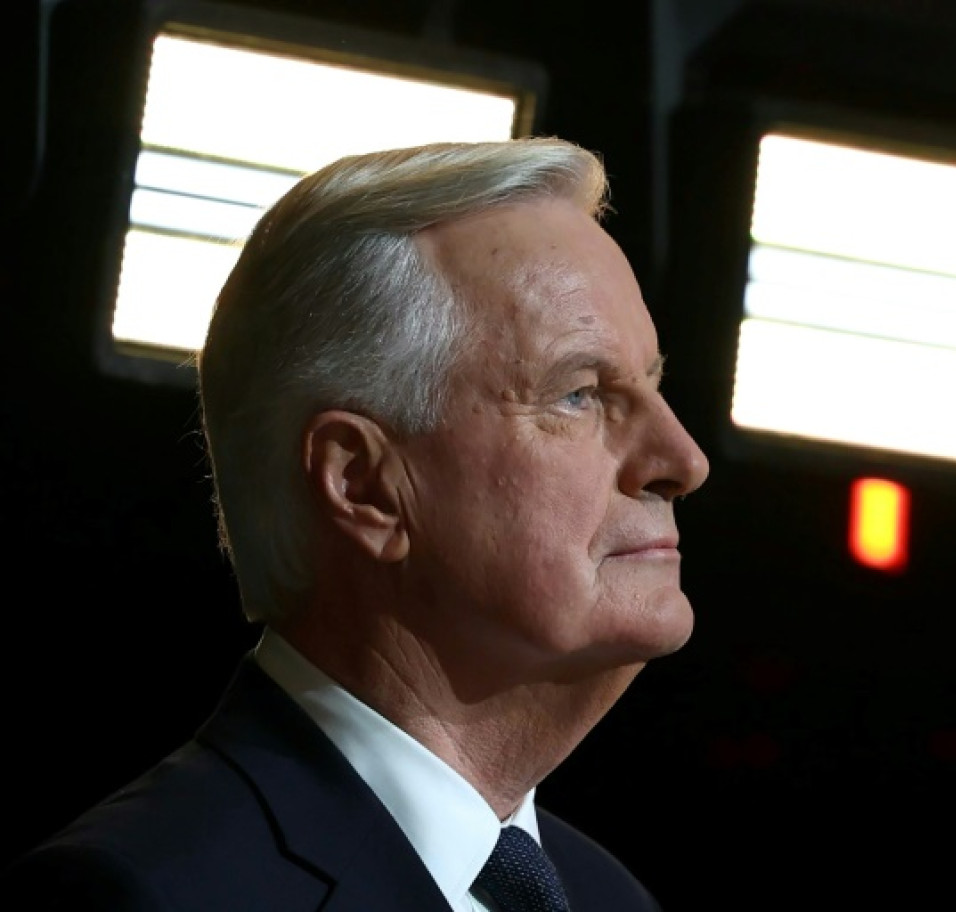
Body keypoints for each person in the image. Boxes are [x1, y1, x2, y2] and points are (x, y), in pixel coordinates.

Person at [0, 137, 710, 910]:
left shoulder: (611, 900)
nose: (683, 458)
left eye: (652, 385)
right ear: (364, 485)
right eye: (577, 394)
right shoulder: (138, 894)